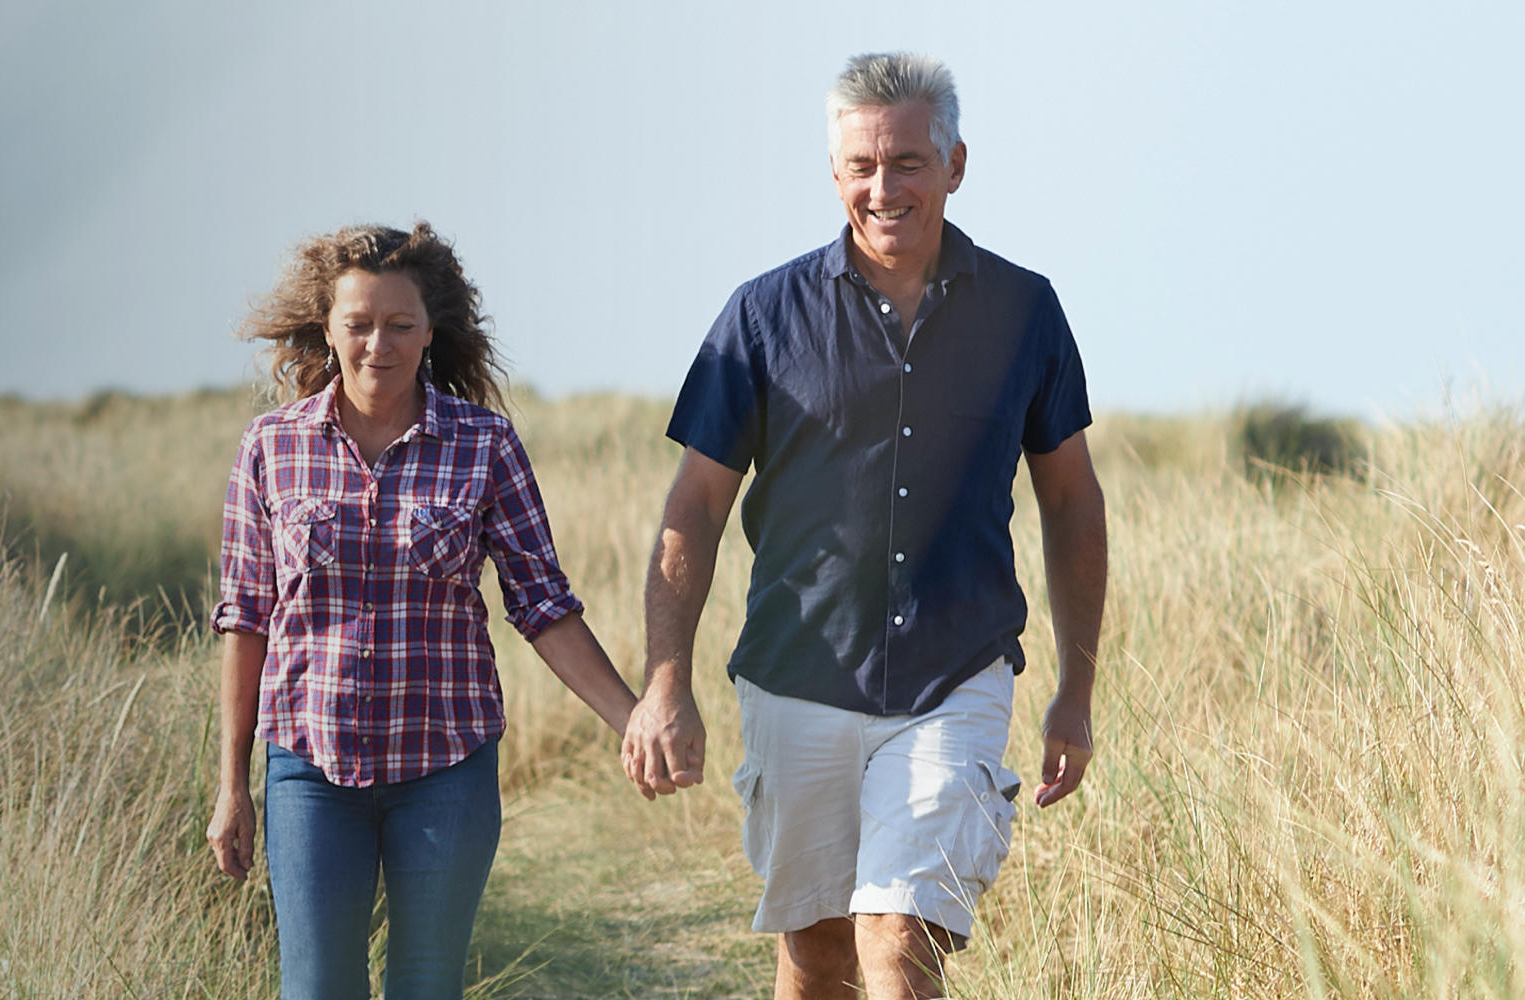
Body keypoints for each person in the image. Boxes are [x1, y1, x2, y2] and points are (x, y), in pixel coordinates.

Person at [624, 53, 1112, 1000]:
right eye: (861, 166)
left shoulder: (1025, 312)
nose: (882, 187)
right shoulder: (762, 315)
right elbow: (695, 507)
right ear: (836, 173)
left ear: (956, 165)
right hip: (797, 676)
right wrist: (665, 681)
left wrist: (1076, 693)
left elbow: (1072, 501)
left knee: (898, 942)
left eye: (908, 162)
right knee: (816, 952)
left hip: (953, 677)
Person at [202, 223, 650, 1000]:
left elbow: (542, 604)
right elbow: (245, 618)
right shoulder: (270, 448)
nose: (380, 343)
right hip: (310, 768)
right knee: (315, 989)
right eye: (360, 324)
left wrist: (632, 720)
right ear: (329, 330)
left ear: (430, 332)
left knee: (427, 986)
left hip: (446, 769)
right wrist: (231, 784)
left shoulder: (485, 446)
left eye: (401, 325)